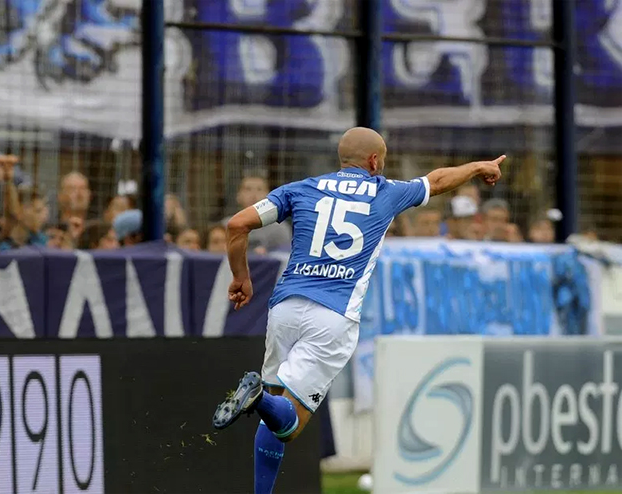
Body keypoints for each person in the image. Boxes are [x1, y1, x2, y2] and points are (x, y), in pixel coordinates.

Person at [210, 127, 505, 494]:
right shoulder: (386, 191)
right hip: (333, 315)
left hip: (285, 308)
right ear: (374, 161)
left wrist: (241, 277)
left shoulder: (301, 189)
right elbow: (437, 181)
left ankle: (261, 427)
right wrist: (477, 167)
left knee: (273, 408)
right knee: (288, 425)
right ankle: (257, 397)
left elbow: (238, 224)